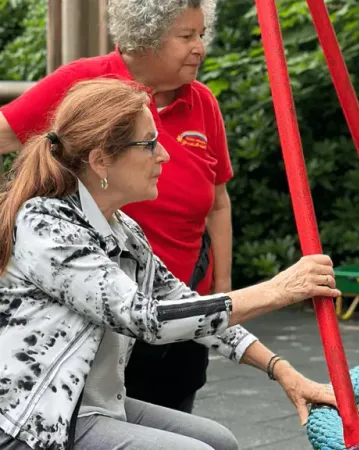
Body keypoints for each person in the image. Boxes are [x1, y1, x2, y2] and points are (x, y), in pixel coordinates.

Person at [0, 78, 340, 450]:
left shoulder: (122, 229)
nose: (163, 154)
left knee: (219, 442)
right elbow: (147, 318)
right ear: (101, 161)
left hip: (90, 405)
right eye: (149, 144)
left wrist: (283, 371)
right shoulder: (46, 227)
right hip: (34, 419)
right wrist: (279, 290)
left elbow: (185, 305)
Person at [1, 0, 244, 412]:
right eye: (186, 36)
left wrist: (222, 292)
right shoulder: (84, 84)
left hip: (180, 303)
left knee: (177, 419)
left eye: (202, 34)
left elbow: (218, 204)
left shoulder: (202, 103)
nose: (200, 47)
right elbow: (6, 135)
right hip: (104, 316)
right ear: (147, 37)